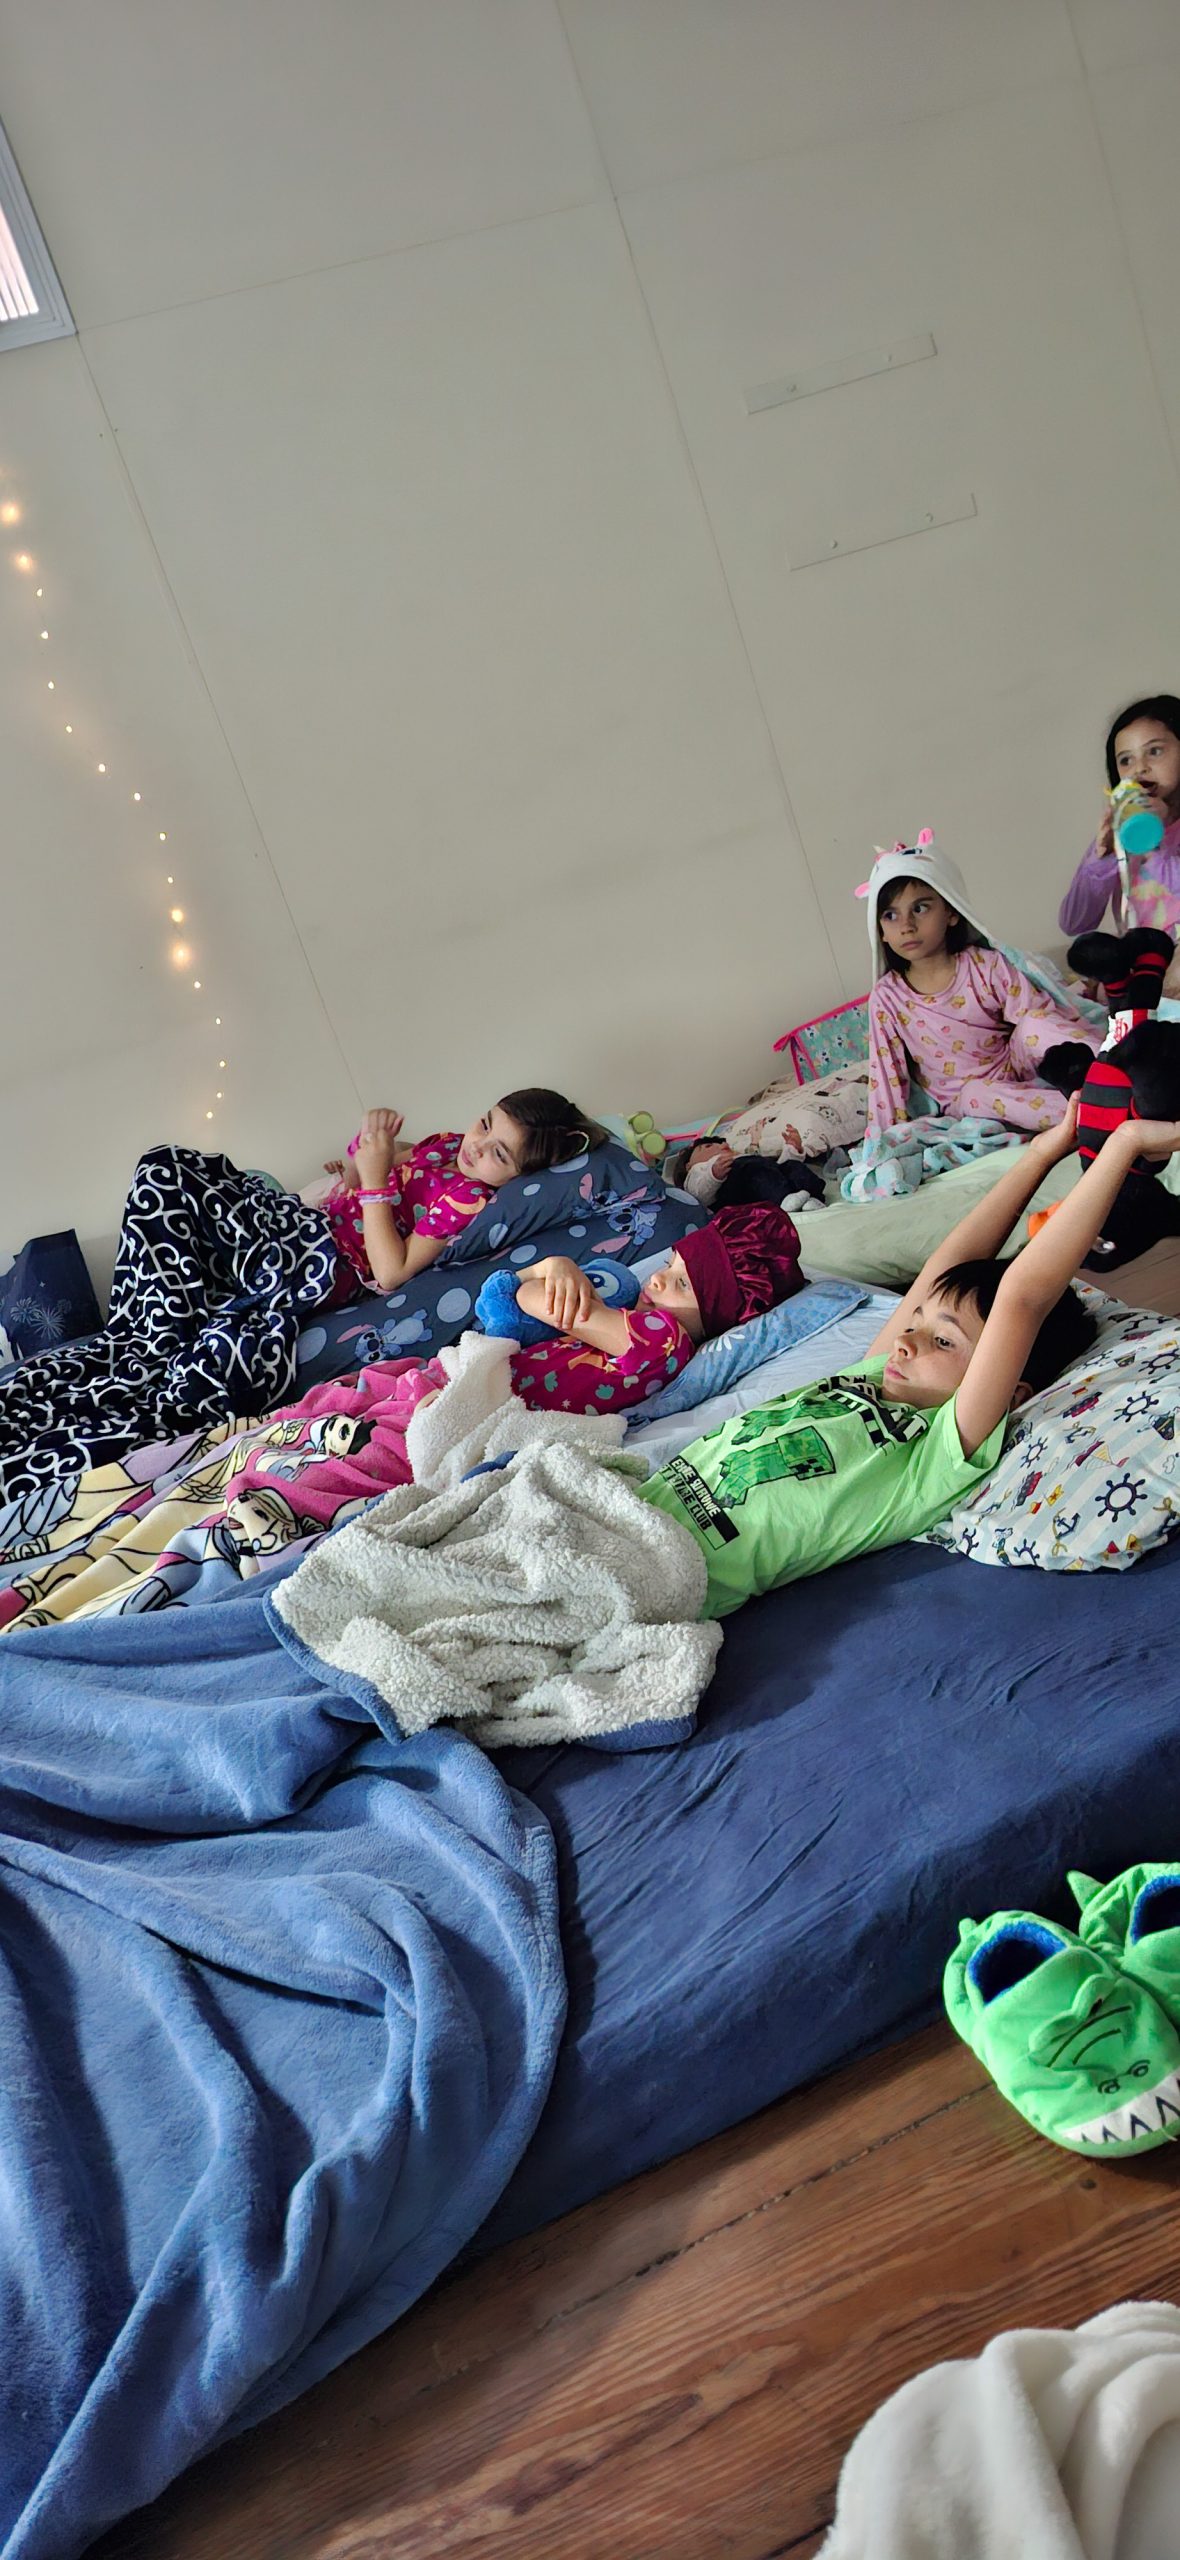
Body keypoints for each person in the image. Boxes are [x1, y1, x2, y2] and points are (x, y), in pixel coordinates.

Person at [639, 1098, 1180, 1617]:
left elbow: (1023, 1296)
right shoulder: (874, 1376)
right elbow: (951, 1261)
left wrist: (1123, 1148)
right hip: (637, 1506)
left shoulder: (936, 1453)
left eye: (943, 1342)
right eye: (916, 1324)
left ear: (1008, 1386)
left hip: (665, 1571)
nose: (905, 1341)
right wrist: (1042, 1153)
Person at [863, 835, 1099, 1139]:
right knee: (978, 1093)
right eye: (890, 915)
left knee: (1035, 1022)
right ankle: (1096, 1112)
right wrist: (883, 1142)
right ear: (880, 931)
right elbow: (886, 1076)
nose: (906, 926)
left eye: (920, 908)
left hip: (1016, 1068)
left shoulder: (984, 965)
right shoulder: (887, 997)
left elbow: (1042, 1021)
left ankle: (1122, 1072)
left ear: (951, 912)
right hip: (969, 1101)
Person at [505, 1202, 802, 1414]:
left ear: (712, 1317)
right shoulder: (638, 1326)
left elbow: (534, 1298)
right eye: (668, 1265)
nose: (658, 1278)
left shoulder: (666, 1340)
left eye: (682, 1283)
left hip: (505, 1398)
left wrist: (554, 1267)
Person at [321, 1088, 603, 1293]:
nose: (477, 1146)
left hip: (334, 1262)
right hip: (320, 1222)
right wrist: (368, 1144)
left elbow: (390, 1273)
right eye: (485, 1125)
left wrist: (374, 1183)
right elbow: (360, 1181)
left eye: (499, 1154)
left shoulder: (468, 1198)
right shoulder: (450, 1144)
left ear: (520, 1177)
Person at [1059, 695, 1180, 939]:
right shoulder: (1121, 836)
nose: (1139, 768)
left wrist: (1151, 844)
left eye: (1154, 751)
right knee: (1088, 951)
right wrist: (1101, 861)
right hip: (1142, 958)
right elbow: (1074, 924)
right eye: (1126, 760)